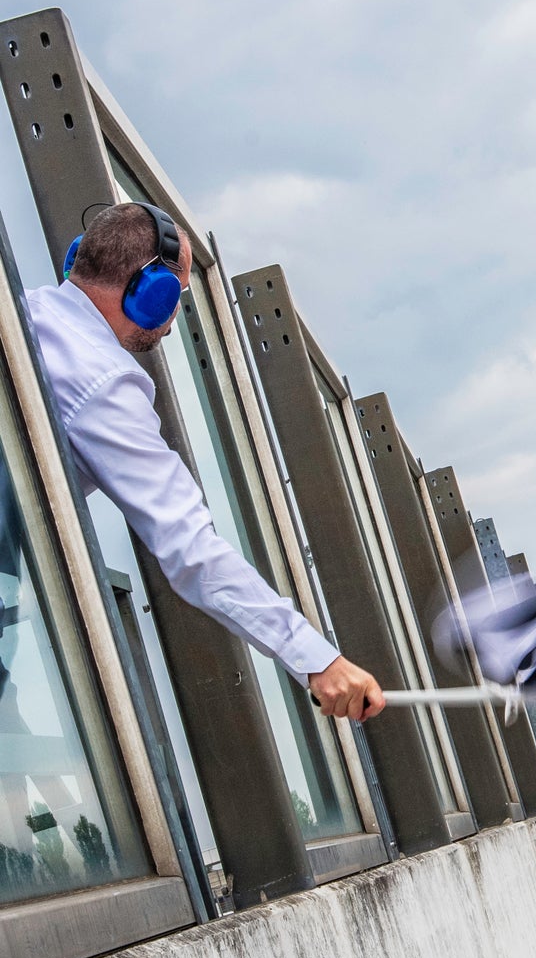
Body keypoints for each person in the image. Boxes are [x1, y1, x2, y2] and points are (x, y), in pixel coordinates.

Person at [23, 202, 384, 722]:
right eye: (177, 295)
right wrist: (318, 660)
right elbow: (190, 548)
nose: (173, 319)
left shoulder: (27, 311)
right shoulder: (102, 380)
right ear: (151, 292)